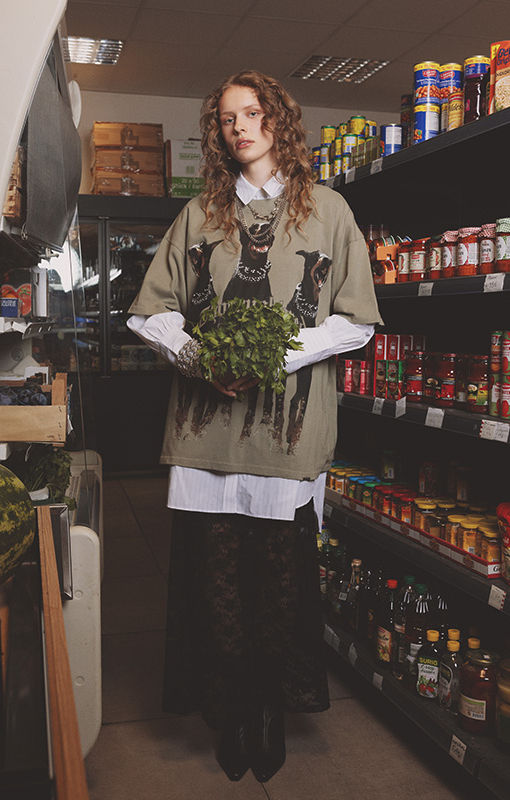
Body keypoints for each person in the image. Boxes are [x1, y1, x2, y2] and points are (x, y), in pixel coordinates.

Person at [127, 70, 382, 783]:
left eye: (252, 113)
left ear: (280, 121)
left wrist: (275, 353)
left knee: (278, 579)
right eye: (226, 118)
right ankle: (230, 709)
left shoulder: (328, 211)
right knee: (215, 578)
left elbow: (356, 321)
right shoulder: (200, 213)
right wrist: (199, 356)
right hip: (205, 432)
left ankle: (268, 706)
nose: (239, 127)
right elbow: (151, 310)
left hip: (286, 437)